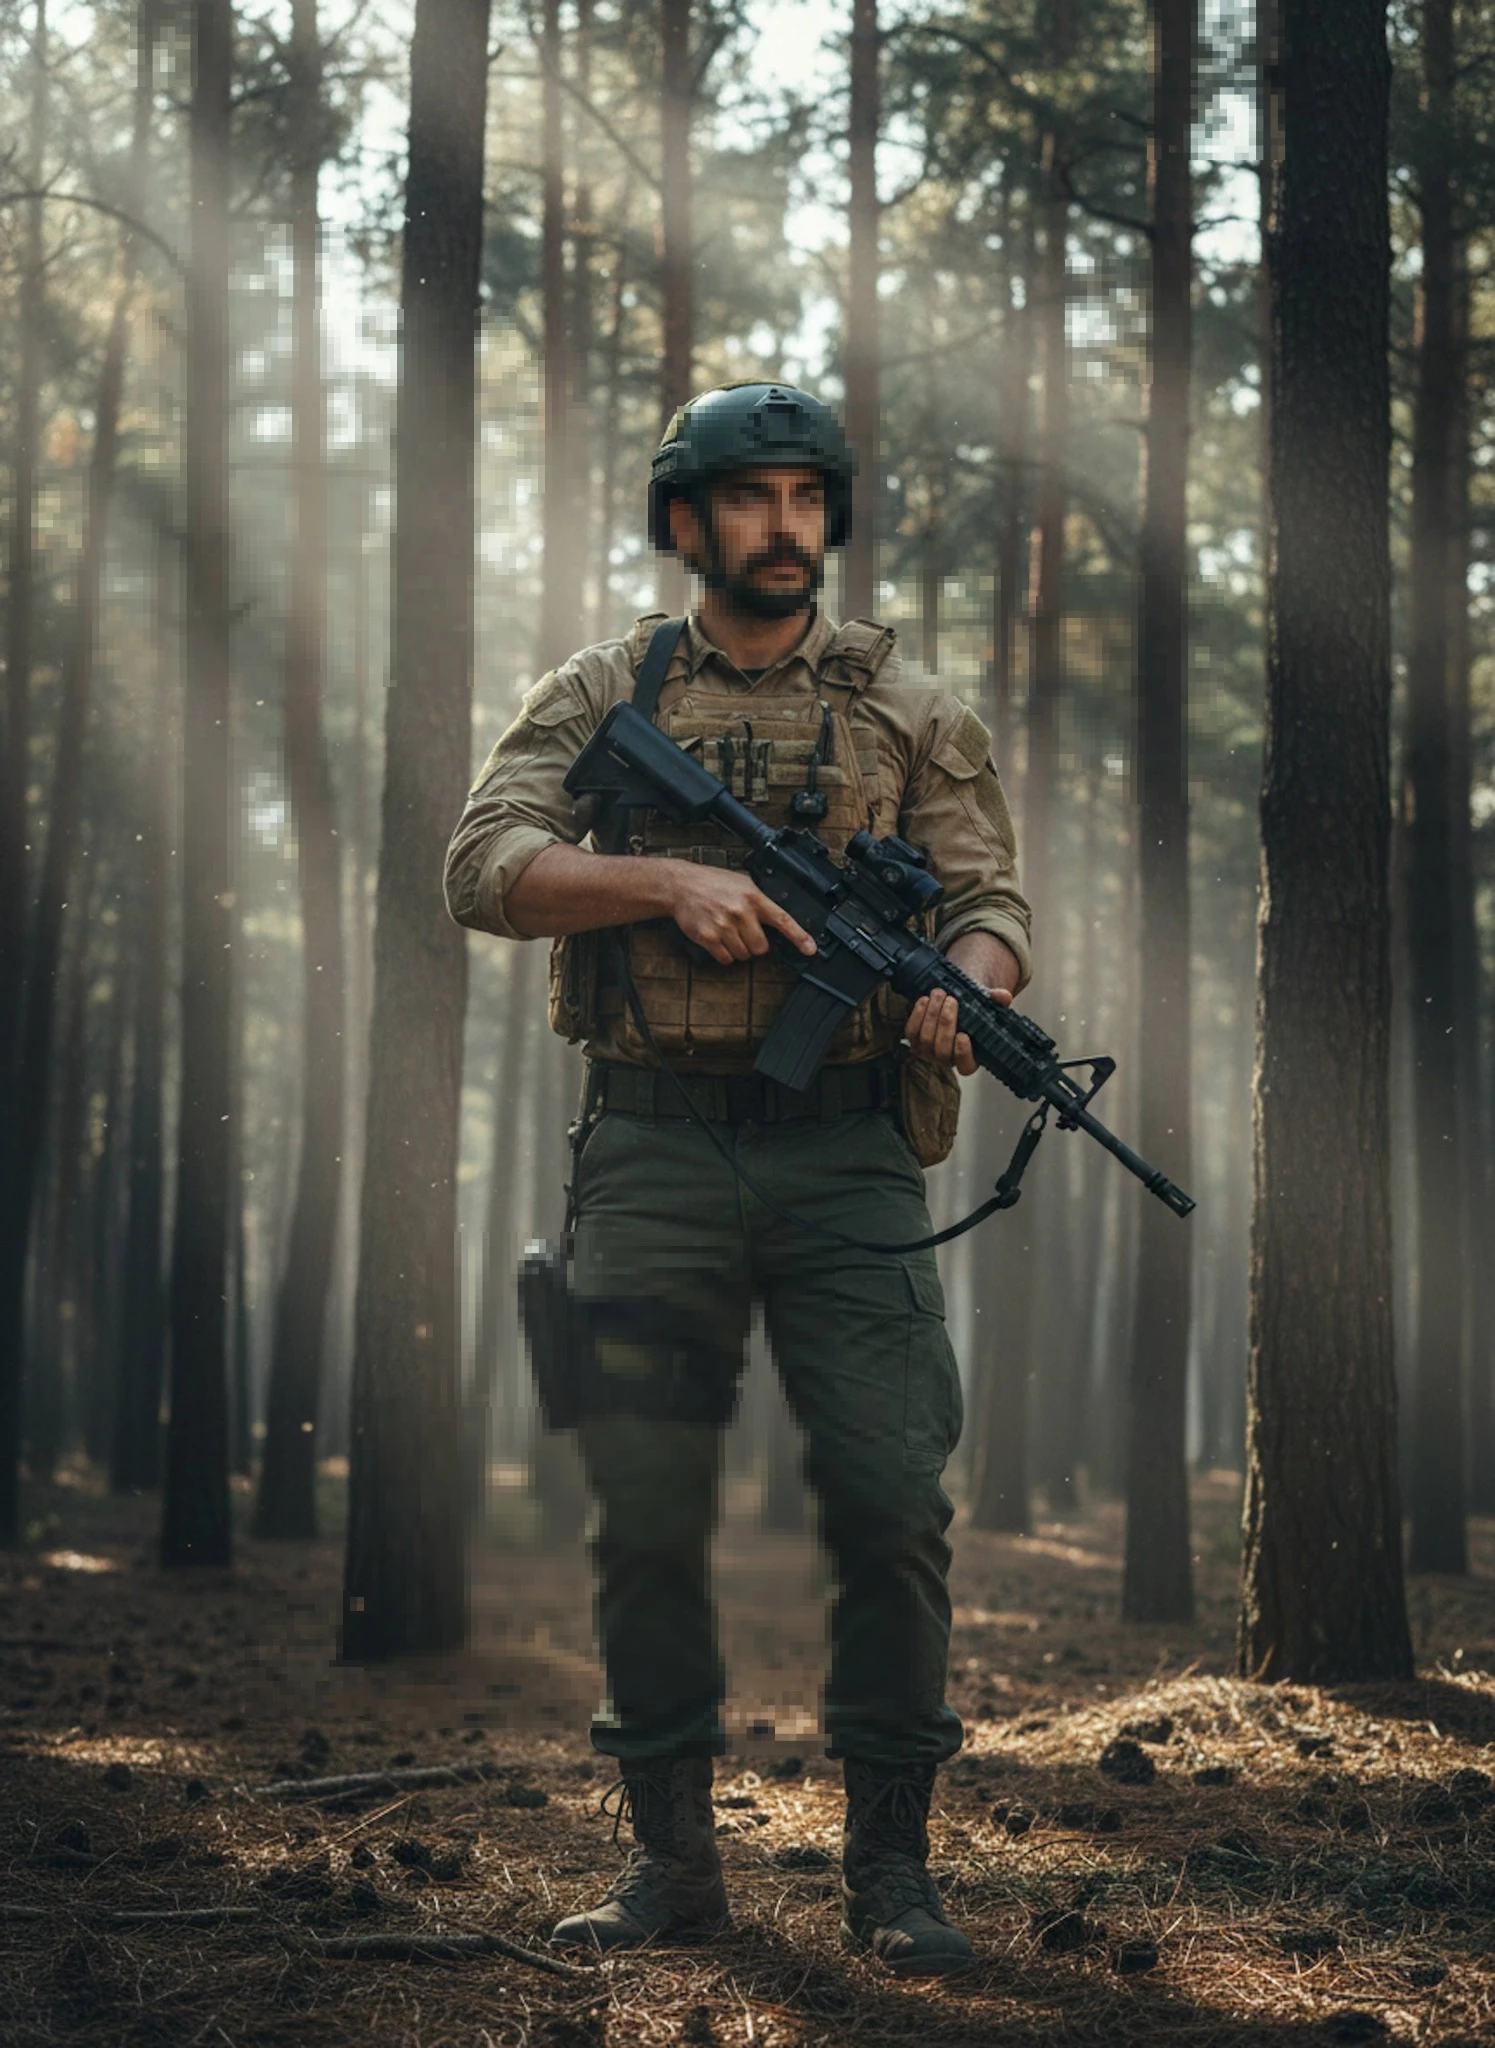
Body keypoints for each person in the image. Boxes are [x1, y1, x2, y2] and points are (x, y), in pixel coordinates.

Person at [444, 382, 1031, 1976]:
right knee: (642, 1508)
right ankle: (670, 1874)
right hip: (648, 1147)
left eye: (805, 497)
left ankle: (893, 1878)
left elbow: (989, 904)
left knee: (892, 1498)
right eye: (749, 497)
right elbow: (483, 863)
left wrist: (958, 992)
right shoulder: (600, 690)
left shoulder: (912, 711)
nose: (783, 525)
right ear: (688, 519)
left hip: (849, 1154)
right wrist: (663, 879)